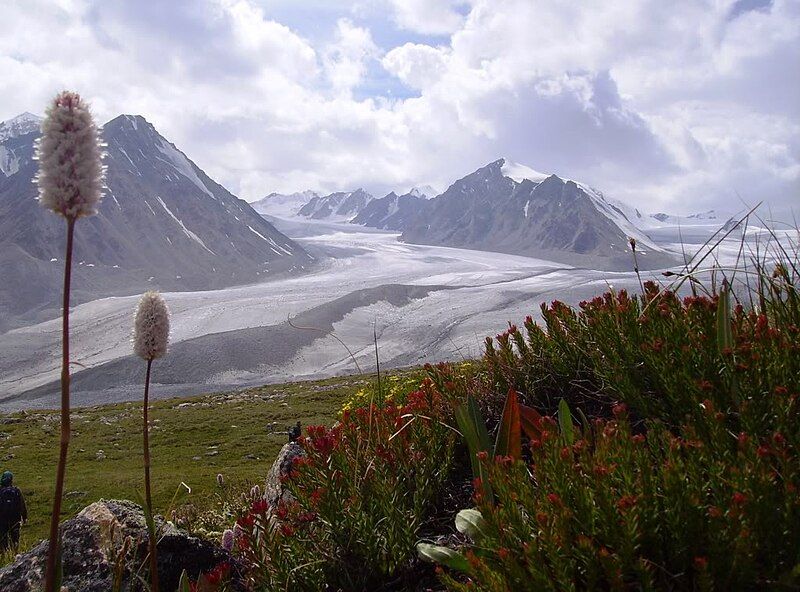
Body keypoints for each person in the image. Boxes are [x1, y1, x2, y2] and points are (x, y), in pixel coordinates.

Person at [0, 471, 27, 553]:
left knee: (3, 540)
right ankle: (15, 555)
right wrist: (24, 517)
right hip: (15, 520)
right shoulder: (16, 491)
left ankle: (4, 557)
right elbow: (22, 505)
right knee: (15, 539)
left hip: (2, 521)